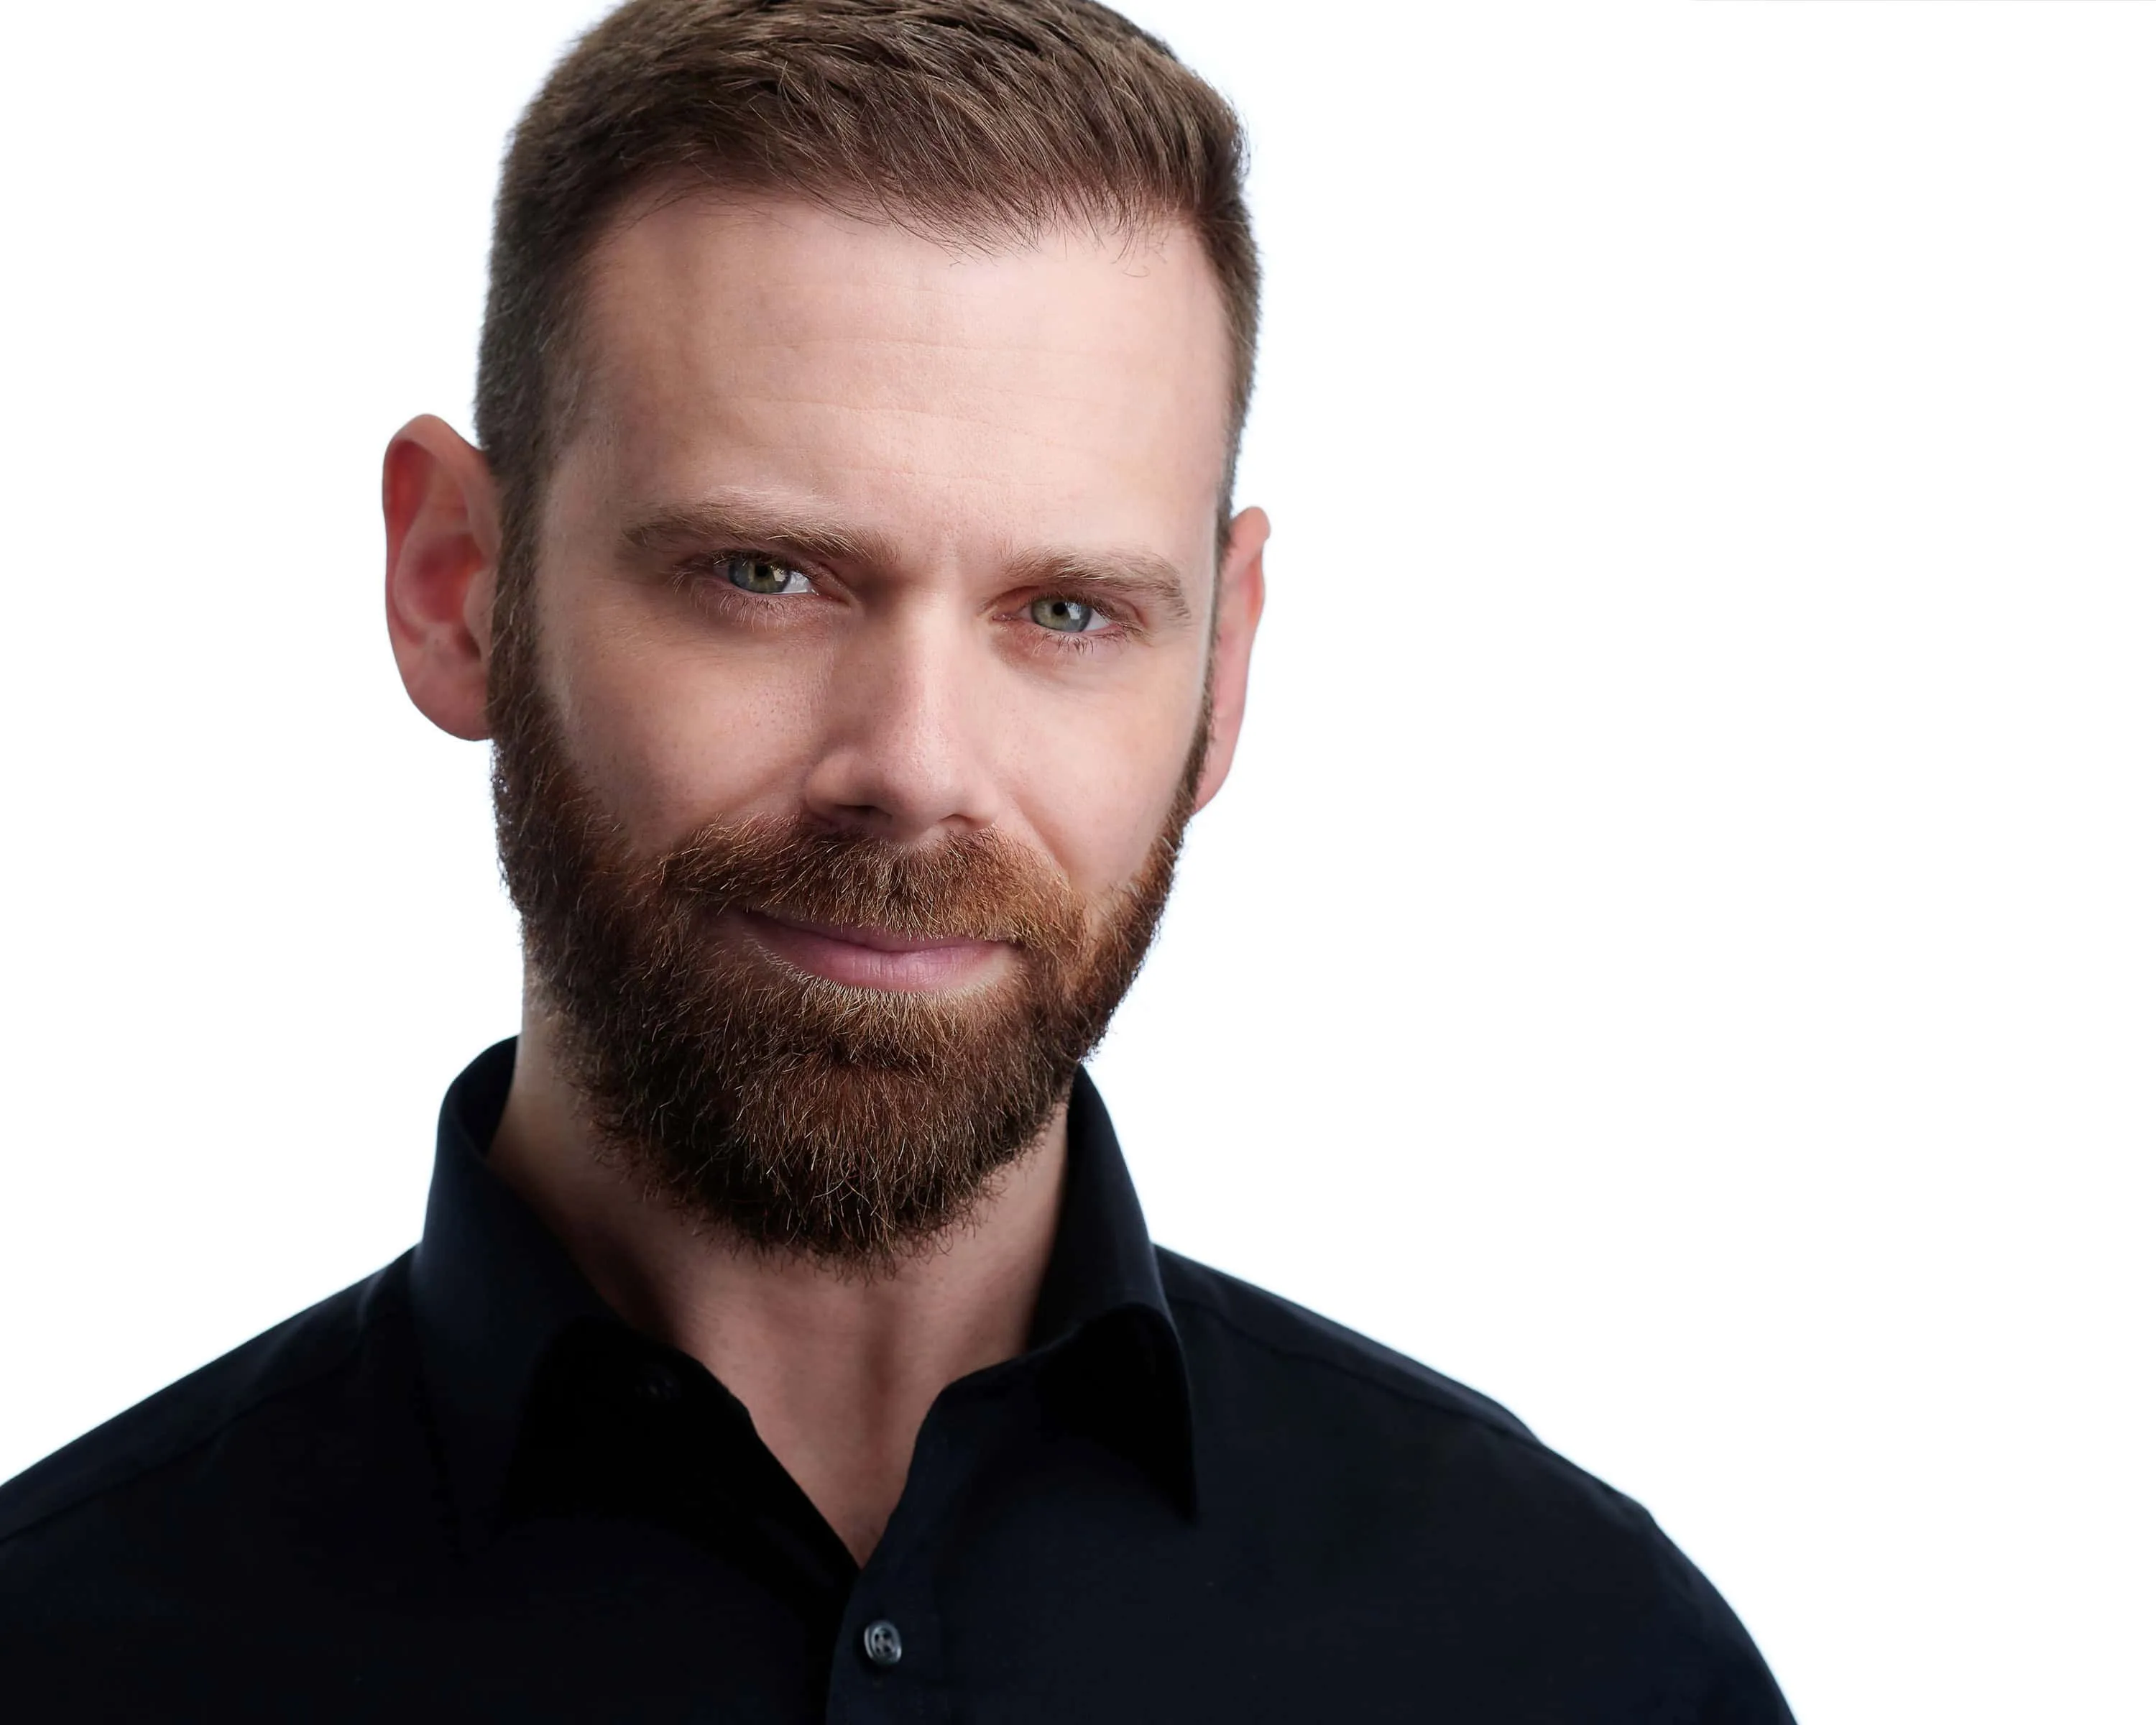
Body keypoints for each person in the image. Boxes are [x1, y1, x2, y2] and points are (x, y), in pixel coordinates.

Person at [0, 1, 1793, 1718]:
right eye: (761, 576)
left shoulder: (1571, 1657)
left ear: (1224, 669)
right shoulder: (62, 1654)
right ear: (455, 587)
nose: (916, 769)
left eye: (1070, 611)